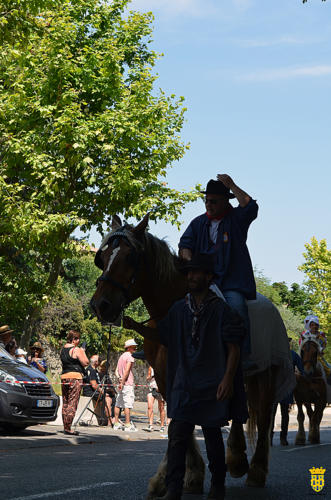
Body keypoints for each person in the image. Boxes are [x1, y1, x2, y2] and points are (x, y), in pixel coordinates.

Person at [123, 254, 248, 500]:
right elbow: (163, 335)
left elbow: (234, 348)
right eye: (189, 273)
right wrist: (136, 326)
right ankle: (173, 490)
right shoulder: (179, 309)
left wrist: (227, 379)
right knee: (177, 438)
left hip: (212, 385)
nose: (191, 276)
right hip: (184, 385)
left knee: (213, 440)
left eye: (197, 272)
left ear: (209, 277)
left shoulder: (221, 310)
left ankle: (218, 487)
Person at [178, 174, 258, 371]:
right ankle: (163, 344)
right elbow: (185, 244)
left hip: (230, 282)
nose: (208, 205)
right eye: (206, 201)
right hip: (203, 281)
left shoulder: (237, 219)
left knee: (237, 308)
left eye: (213, 201)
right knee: (177, 307)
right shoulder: (197, 223)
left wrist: (231, 185)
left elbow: (250, 206)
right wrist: (189, 262)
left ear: (225, 202)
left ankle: (244, 357)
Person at [270, 337, 305, 446]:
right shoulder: (274, 355)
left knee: (285, 414)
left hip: (286, 389)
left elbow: (302, 369)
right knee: (272, 414)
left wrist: (299, 375)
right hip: (275, 388)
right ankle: (269, 437)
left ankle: (283, 437)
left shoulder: (294, 355)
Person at [60, 330, 89, 435]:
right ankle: (68, 428)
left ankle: (65, 426)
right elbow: (86, 362)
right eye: (77, 339)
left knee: (65, 402)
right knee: (72, 402)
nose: (79, 340)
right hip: (75, 377)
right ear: (74, 339)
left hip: (64, 377)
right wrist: (83, 351)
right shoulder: (76, 349)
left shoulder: (62, 349)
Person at [113, 338, 138, 432]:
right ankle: (127, 424)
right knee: (128, 404)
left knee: (118, 403)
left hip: (121, 382)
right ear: (130, 347)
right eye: (134, 347)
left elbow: (116, 370)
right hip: (127, 383)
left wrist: (119, 379)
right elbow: (127, 370)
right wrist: (123, 382)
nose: (135, 349)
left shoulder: (121, 356)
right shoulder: (130, 356)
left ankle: (116, 423)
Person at [83, 355, 114, 426]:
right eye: (99, 360)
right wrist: (103, 392)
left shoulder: (94, 370)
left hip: (94, 391)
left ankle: (112, 418)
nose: (100, 362)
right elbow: (94, 385)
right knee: (108, 399)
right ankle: (109, 421)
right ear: (96, 362)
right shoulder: (91, 370)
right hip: (91, 392)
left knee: (112, 397)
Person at [299, 315, 330, 382]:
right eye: (312, 325)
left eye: (316, 325)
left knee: (328, 370)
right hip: (305, 355)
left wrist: (321, 350)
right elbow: (301, 344)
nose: (314, 327)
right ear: (309, 326)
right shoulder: (305, 334)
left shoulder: (321, 335)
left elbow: (323, 345)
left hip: (318, 356)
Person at [145, 364, 166, 433]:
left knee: (161, 408)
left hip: (160, 389)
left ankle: (162, 426)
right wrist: (151, 376)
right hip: (152, 388)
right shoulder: (151, 367)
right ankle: (150, 425)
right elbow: (147, 377)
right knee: (149, 407)